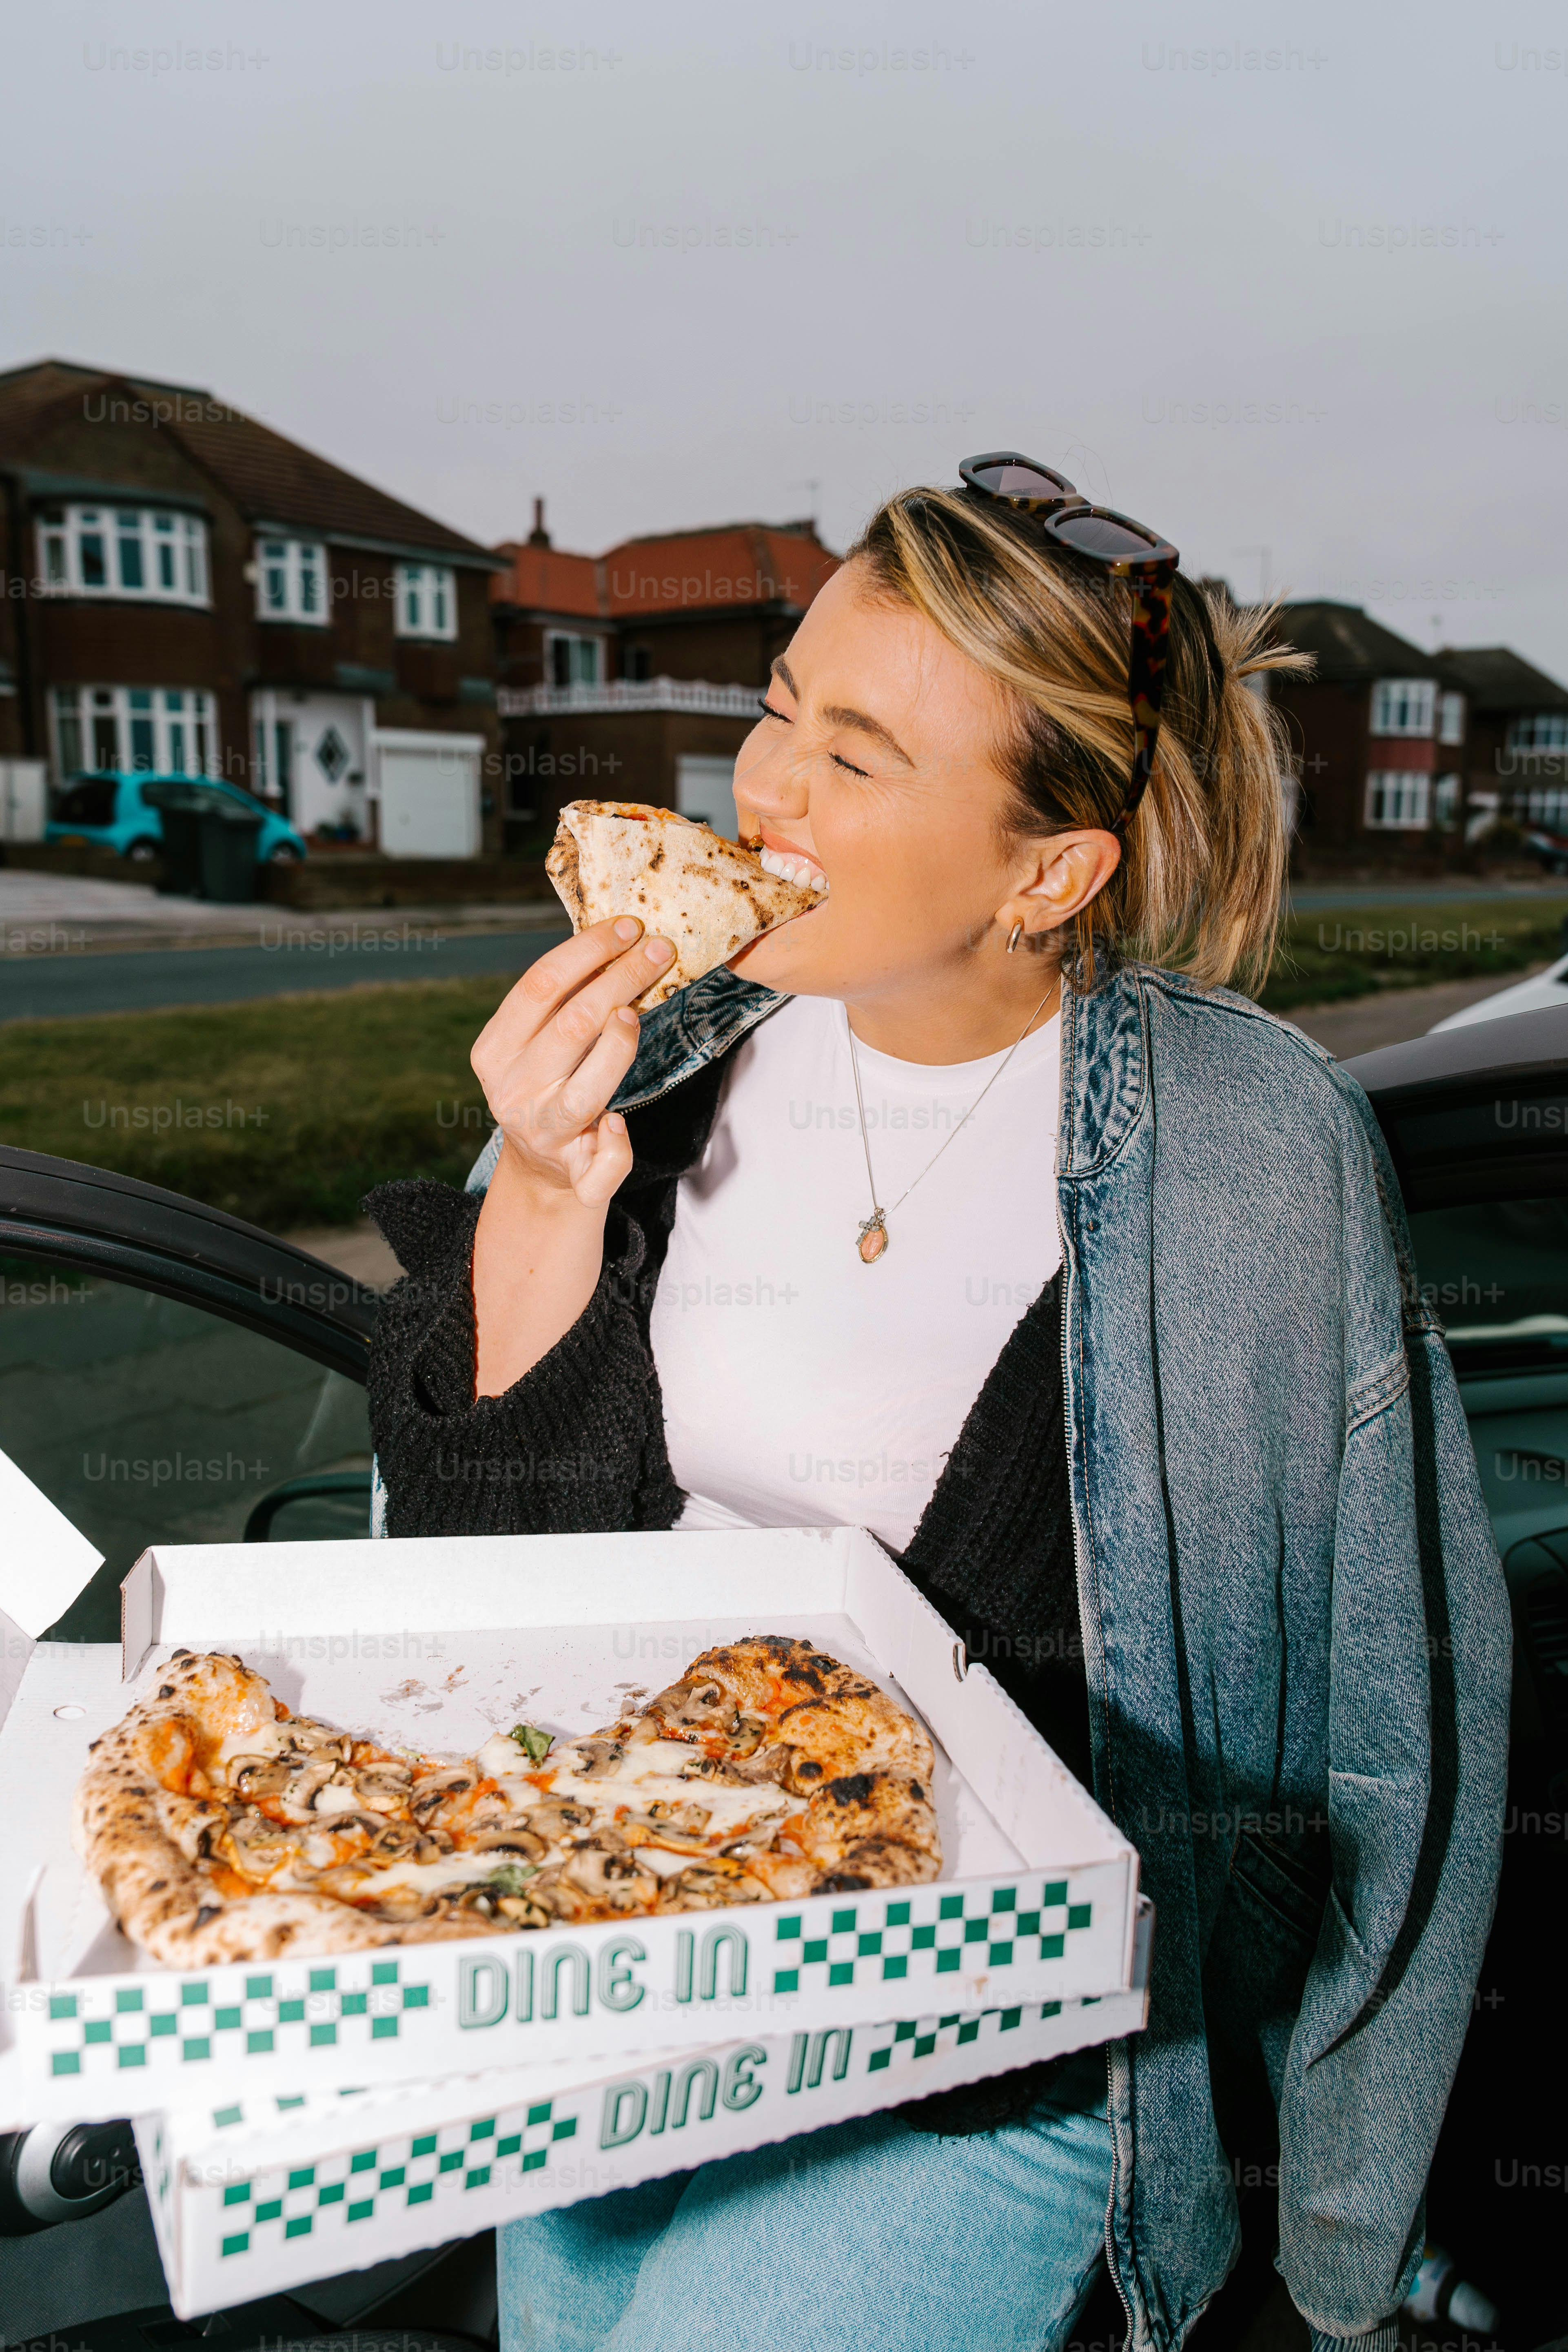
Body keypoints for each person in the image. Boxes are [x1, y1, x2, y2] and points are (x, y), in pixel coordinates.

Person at [365, 457, 1509, 2352]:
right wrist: (544, 1197)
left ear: (1046, 868)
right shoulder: (649, 1065)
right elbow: (481, 1584)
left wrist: (1341, 2216)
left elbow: (1399, 1713)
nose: (770, 786)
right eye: (777, 707)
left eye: (861, 752)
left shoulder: (1243, 1152)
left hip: (980, 2044)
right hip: (612, 1954)